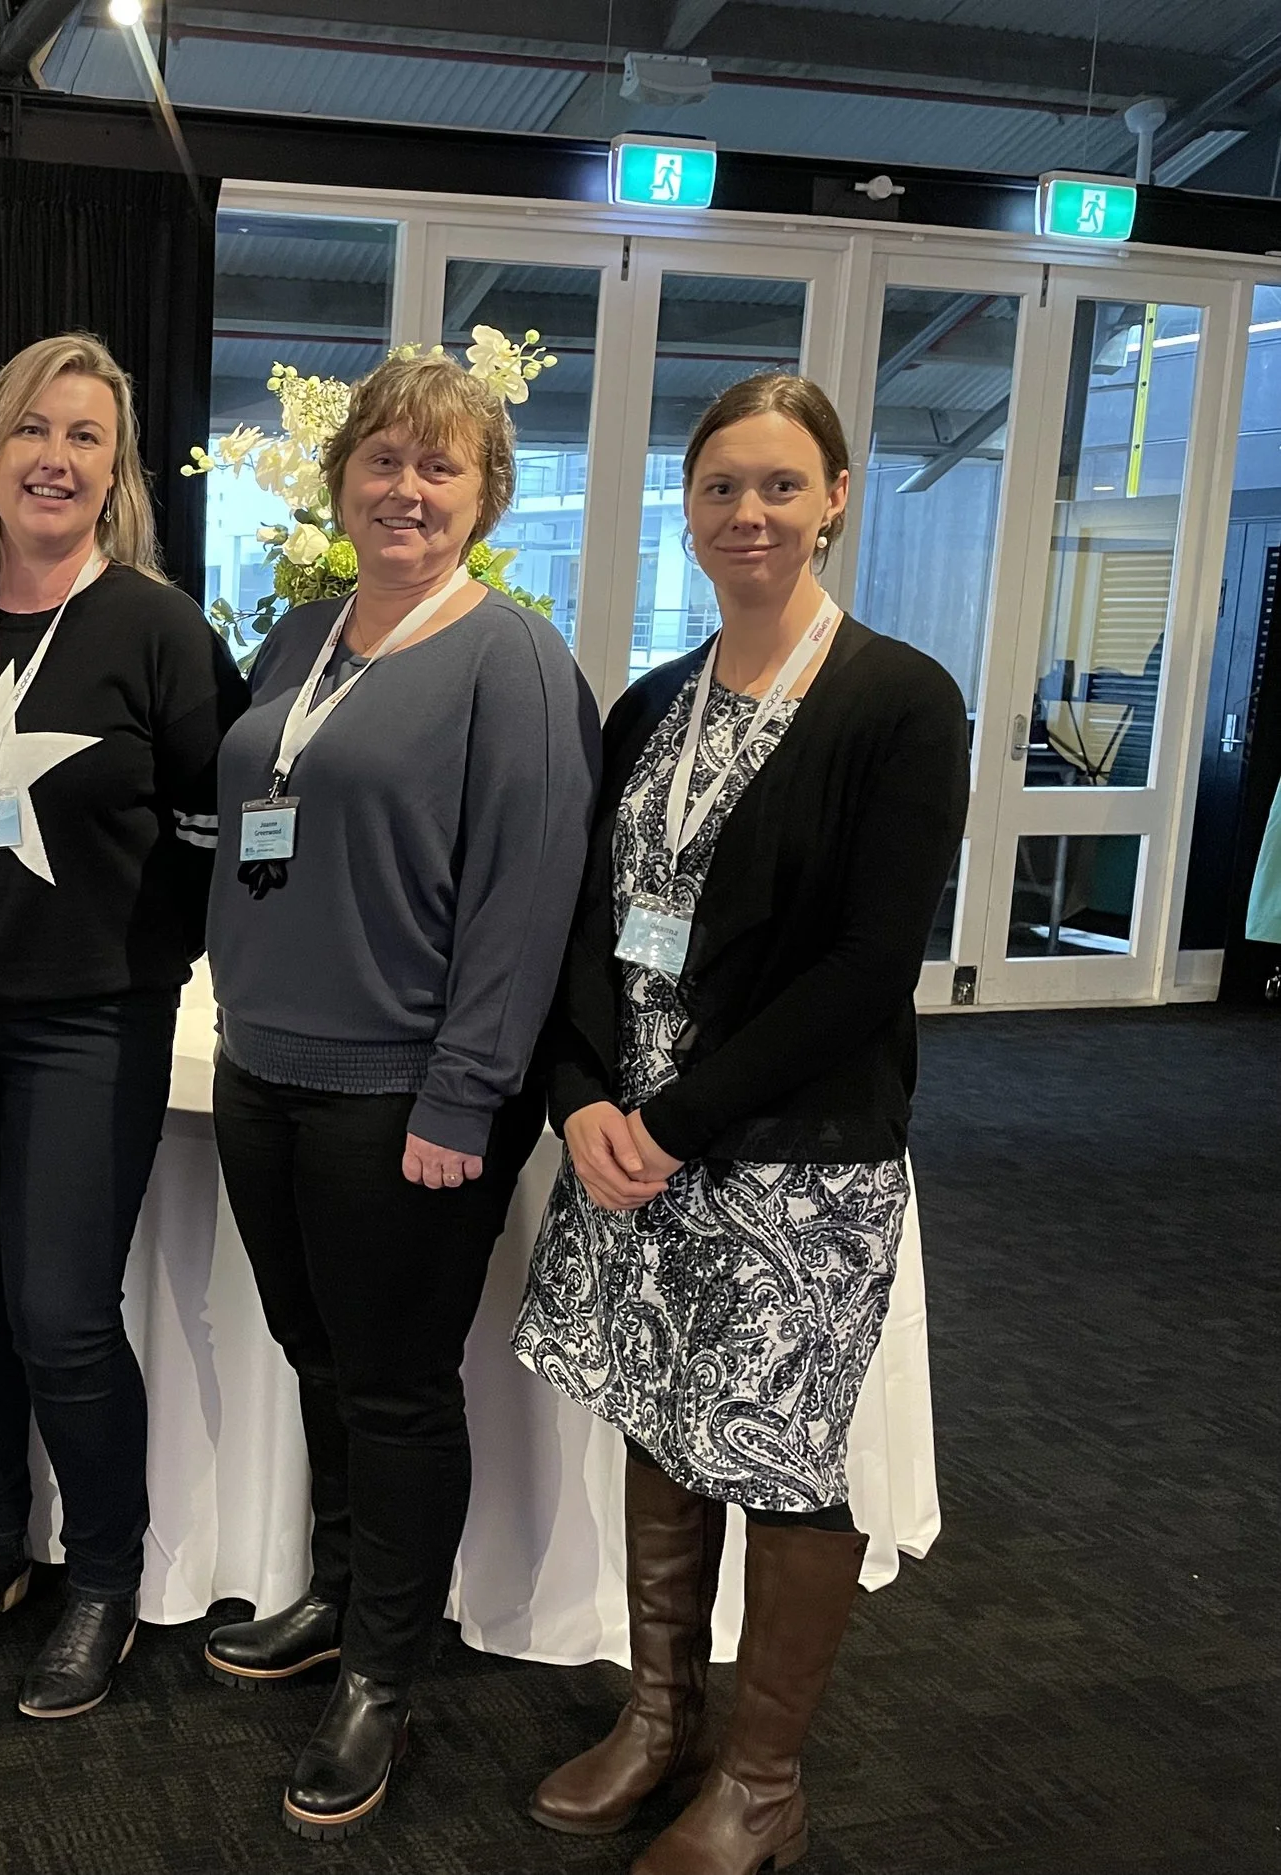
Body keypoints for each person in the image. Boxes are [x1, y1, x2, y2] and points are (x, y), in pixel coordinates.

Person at [515, 373, 970, 1875]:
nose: (749, 514)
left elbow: (865, 964)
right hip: (636, 1152)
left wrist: (680, 1117)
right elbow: (590, 920)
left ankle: (762, 1778)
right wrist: (581, 1091)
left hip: (793, 1157)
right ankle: (660, 1719)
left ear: (837, 494)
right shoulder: (654, 701)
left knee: (785, 1456)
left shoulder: (900, 702)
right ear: (690, 509)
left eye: (782, 485)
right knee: (664, 1409)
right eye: (721, 488)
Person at [202, 350, 600, 1839]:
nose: (406, 489)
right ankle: (333, 1587)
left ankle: (385, 1669)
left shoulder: (514, 660)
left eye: (440, 467)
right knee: (315, 1351)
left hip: (407, 1093)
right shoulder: (302, 635)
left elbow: (527, 896)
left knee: (397, 1382)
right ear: (342, 481)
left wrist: (466, 1093)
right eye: (383, 461)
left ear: (487, 495)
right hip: (268, 1065)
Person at [0, 332, 247, 1718]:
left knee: (64, 1312)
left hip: (90, 1023)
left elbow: (226, 820)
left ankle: (102, 1569)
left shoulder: (157, 629)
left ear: (116, 470)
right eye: (34, 428)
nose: (56, 457)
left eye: (86, 436)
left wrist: (153, 954)